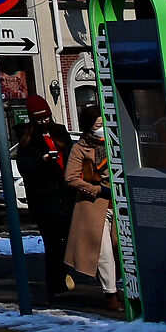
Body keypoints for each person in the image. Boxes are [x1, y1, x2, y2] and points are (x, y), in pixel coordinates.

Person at [13, 95, 77, 296]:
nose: (44, 122)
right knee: (52, 242)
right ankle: (55, 283)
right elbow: (25, 168)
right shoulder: (28, 140)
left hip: (65, 195)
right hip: (44, 200)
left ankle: (64, 274)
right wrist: (42, 160)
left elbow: (72, 157)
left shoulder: (60, 133)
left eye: (46, 118)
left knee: (68, 240)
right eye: (39, 119)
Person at [66, 108, 115, 293]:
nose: (102, 128)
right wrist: (97, 189)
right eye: (97, 125)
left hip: (118, 203)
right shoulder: (80, 148)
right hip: (95, 205)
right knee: (104, 253)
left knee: (122, 248)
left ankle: (130, 290)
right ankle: (110, 293)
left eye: (103, 124)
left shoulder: (114, 142)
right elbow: (71, 178)